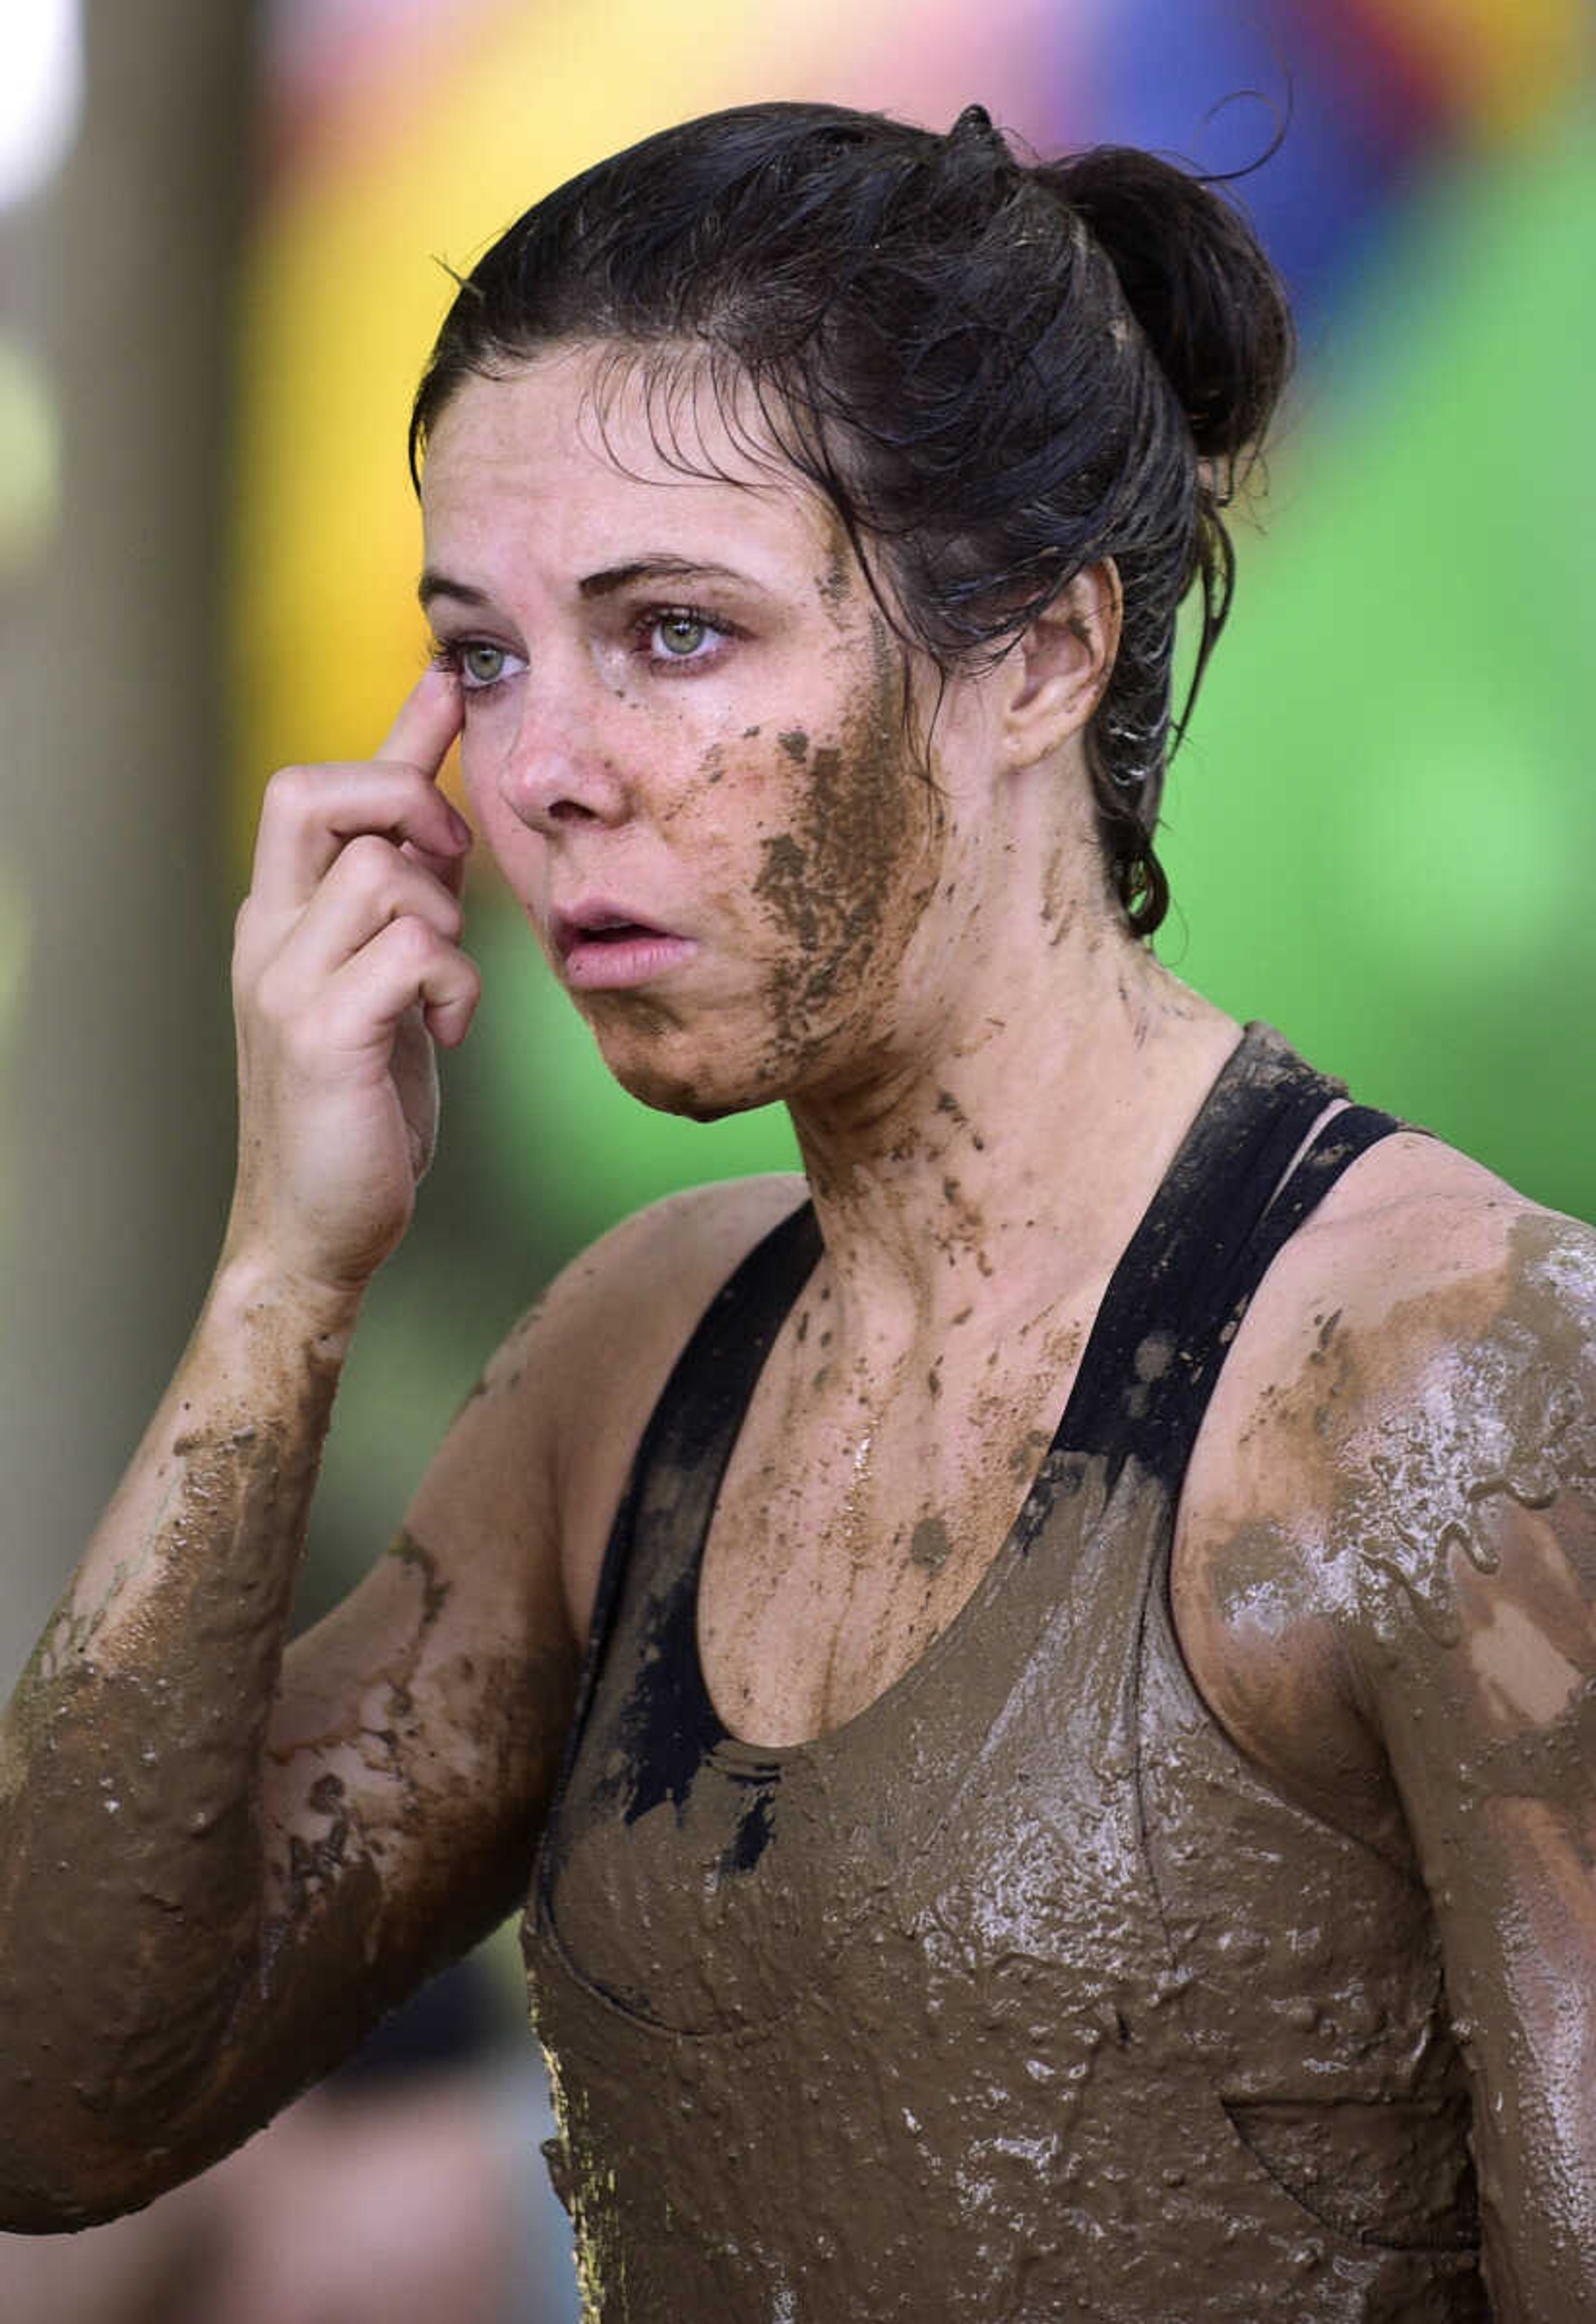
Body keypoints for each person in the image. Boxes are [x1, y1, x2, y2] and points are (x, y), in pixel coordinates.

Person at [0, 97, 1590, 2322]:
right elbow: (60, 2094)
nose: (540, 765)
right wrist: (287, 1269)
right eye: (479, 650)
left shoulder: (1443, 1376)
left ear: (1039, 651)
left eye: (672, 636)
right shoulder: (635, 1361)